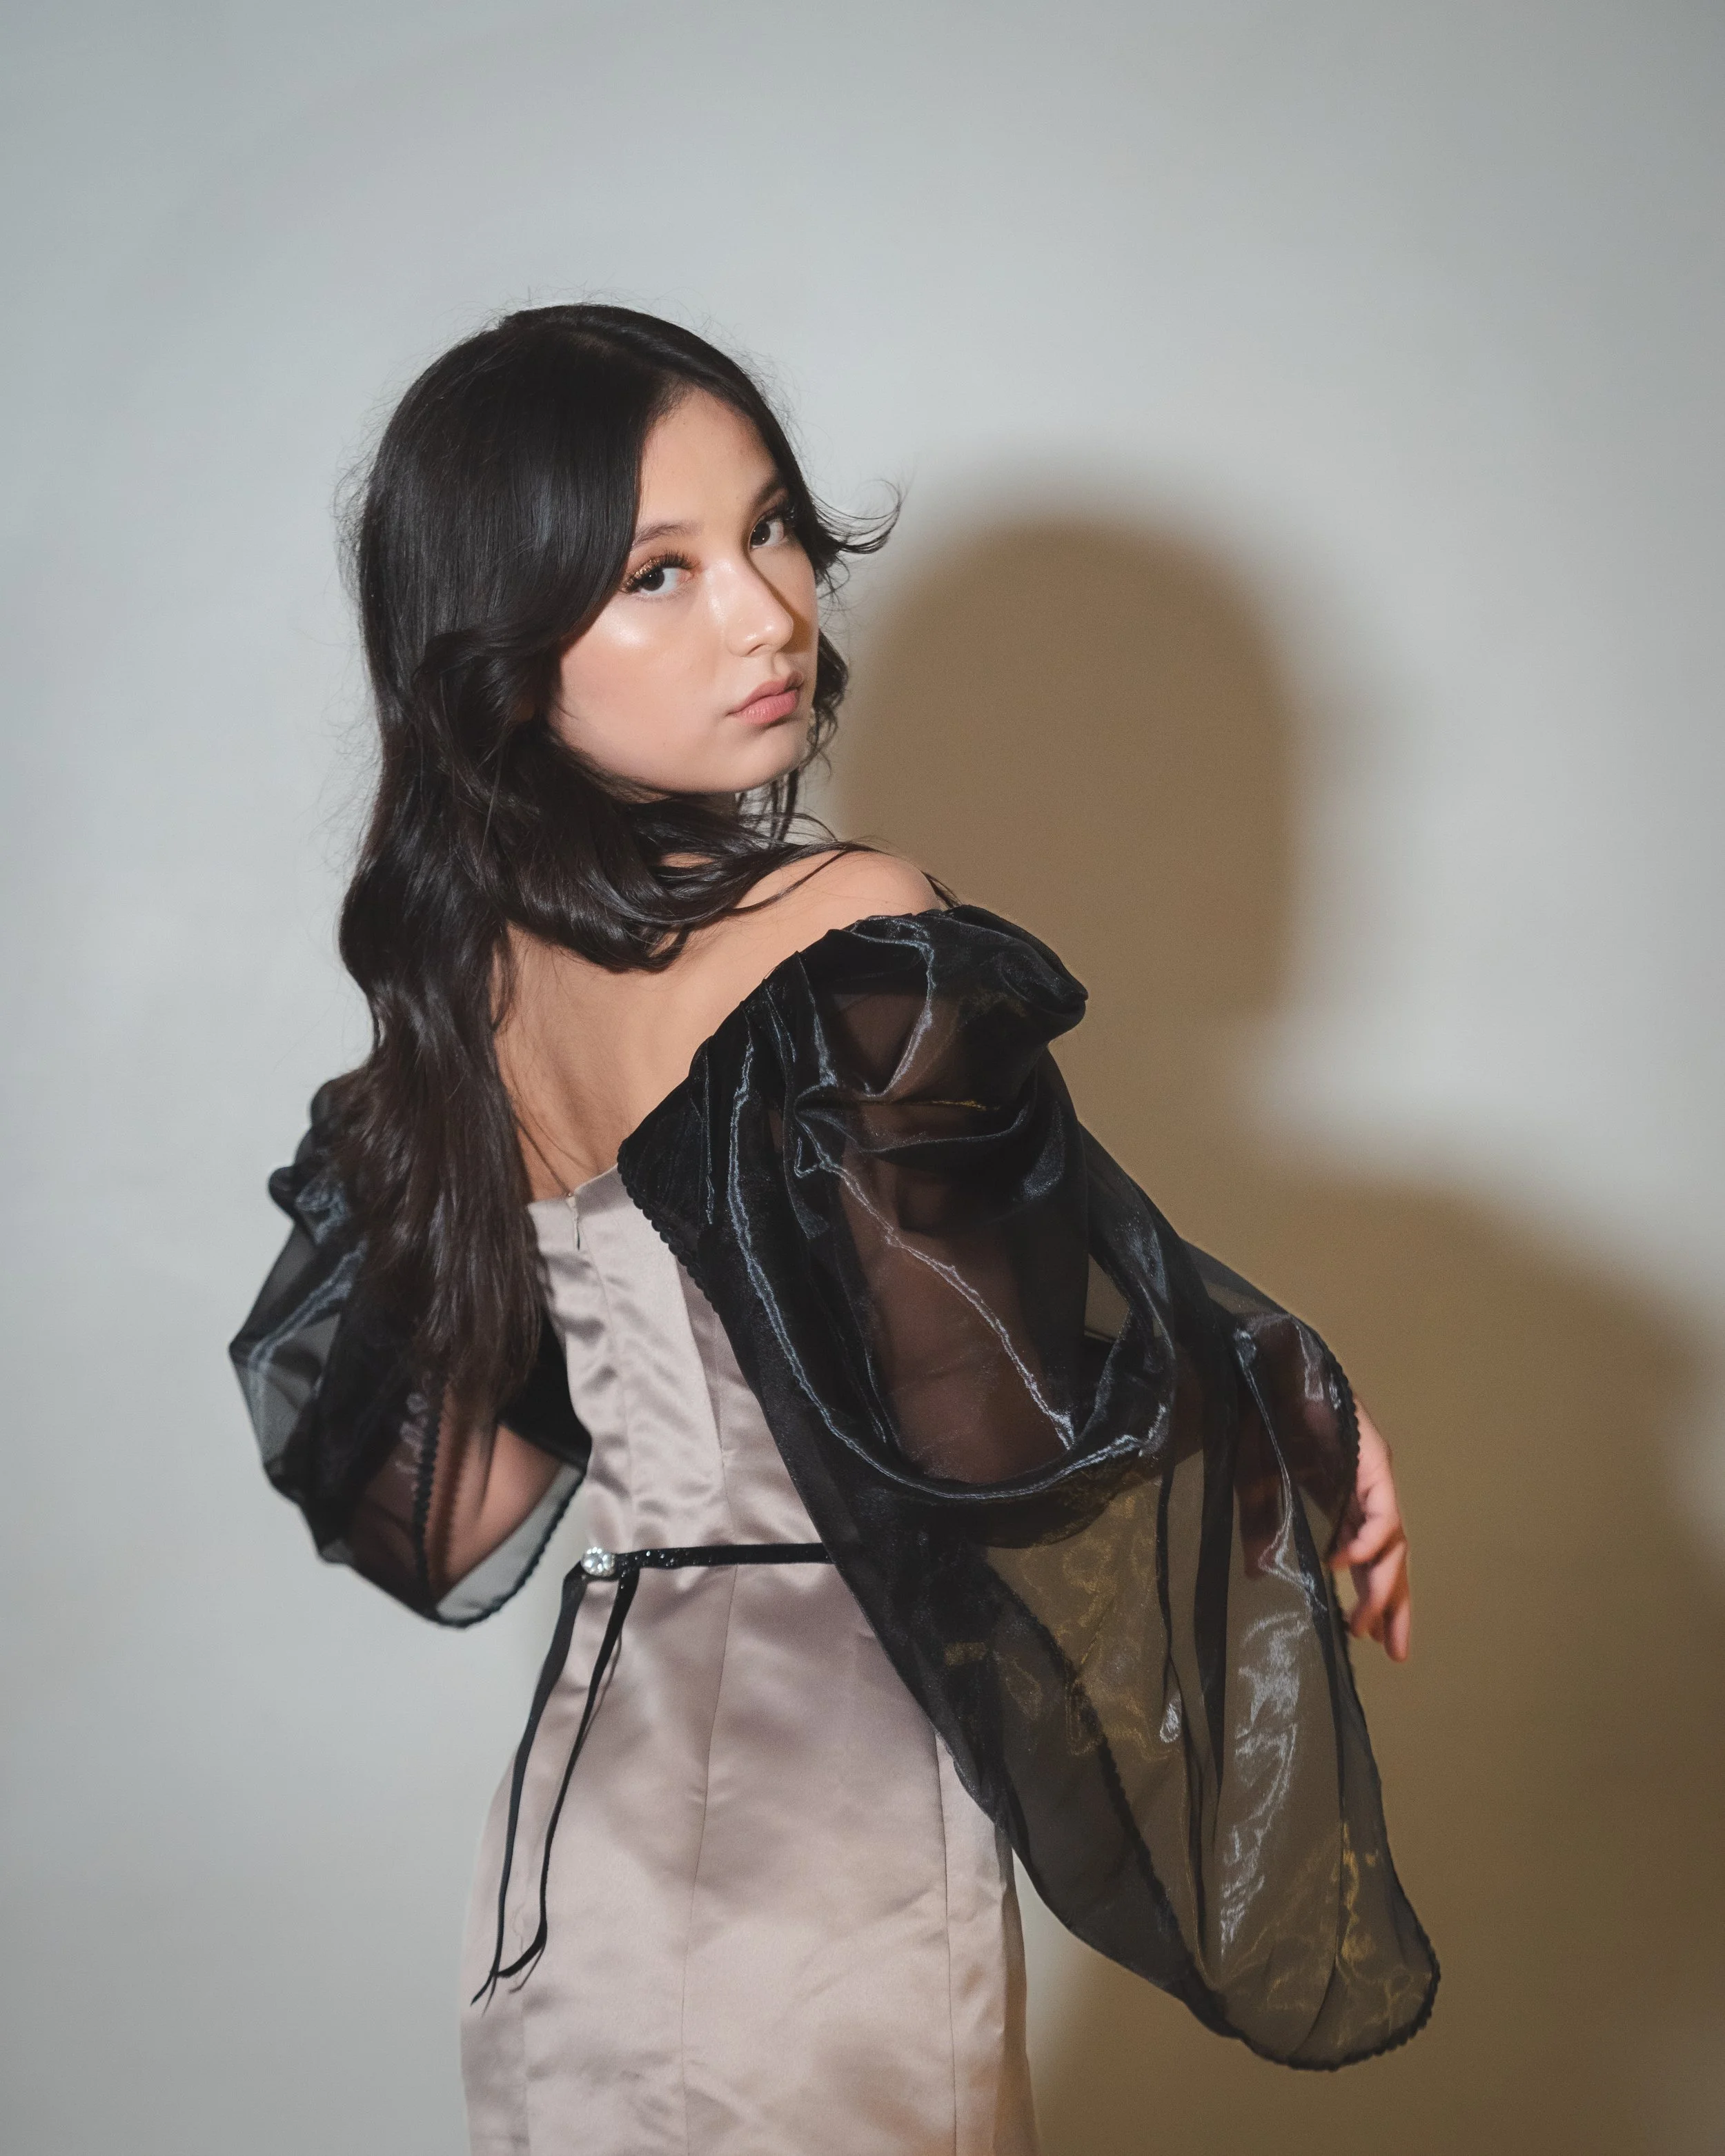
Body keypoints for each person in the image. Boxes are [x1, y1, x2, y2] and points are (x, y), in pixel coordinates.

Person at [231, 304, 1435, 2156]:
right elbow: (988, 1435)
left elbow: (451, 1500)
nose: (764, 610)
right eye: (655, 572)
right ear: (501, 645)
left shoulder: (480, 981)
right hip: (825, 1831)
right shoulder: (841, 927)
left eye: (772, 530)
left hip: (590, 1823)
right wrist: (1264, 1404)